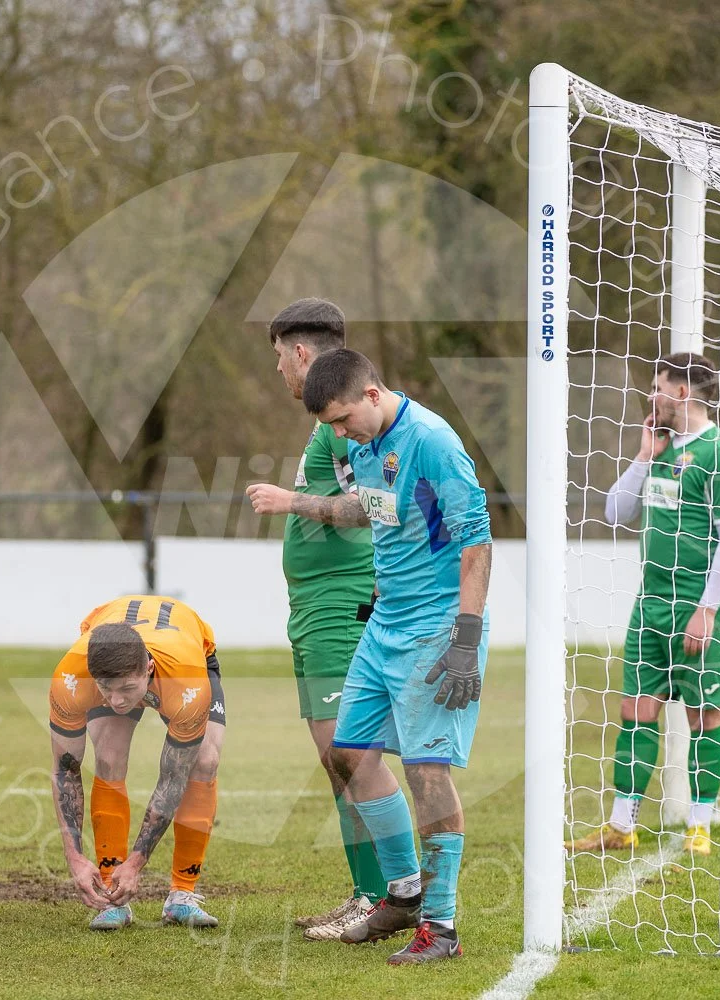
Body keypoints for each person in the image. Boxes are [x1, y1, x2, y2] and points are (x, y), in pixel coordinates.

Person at [300, 348, 492, 965]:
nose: (337, 433)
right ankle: (404, 893)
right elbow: (372, 508)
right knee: (348, 753)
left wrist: (466, 638)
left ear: (373, 392)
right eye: (328, 424)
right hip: (384, 624)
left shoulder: (433, 440)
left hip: (436, 629)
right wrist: (297, 501)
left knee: (425, 771)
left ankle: (442, 928)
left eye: (341, 418)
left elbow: (476, 541)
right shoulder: (361, 446)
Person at [243, 298, 388, 941]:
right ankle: (370, 894)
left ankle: (388, 896)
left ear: (301, 352)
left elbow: (374, 504)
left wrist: (290, 502)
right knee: (339, 760)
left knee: (350, 756)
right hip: (315, 606)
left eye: (279, 357)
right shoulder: (327, 419)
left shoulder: (344, 419)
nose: (278, 371)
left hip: (341, 602)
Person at [566, 353, 720, 857]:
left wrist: (708, 609)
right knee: (635, 709)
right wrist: (644, 455)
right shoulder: (661, 449)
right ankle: (621, 827)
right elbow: (615, 511)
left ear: (683, 393)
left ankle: (699, 825)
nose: (651, 395)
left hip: (699, 607)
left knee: (703, 714)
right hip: (651, 605)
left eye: (658, 386)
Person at [49, 595, 226, 930]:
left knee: (204, 761)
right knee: (108, 756)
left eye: (126, 689)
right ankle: (111, 896)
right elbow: (65, 769)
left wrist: (136, 862)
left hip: (186, 656)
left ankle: (182, 895)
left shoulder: (186, 681)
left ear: (146, 669)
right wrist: (74, 857)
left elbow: (173, 778)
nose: (116, 700)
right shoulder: (71, 679)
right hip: (116, 651)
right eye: (106, 689)